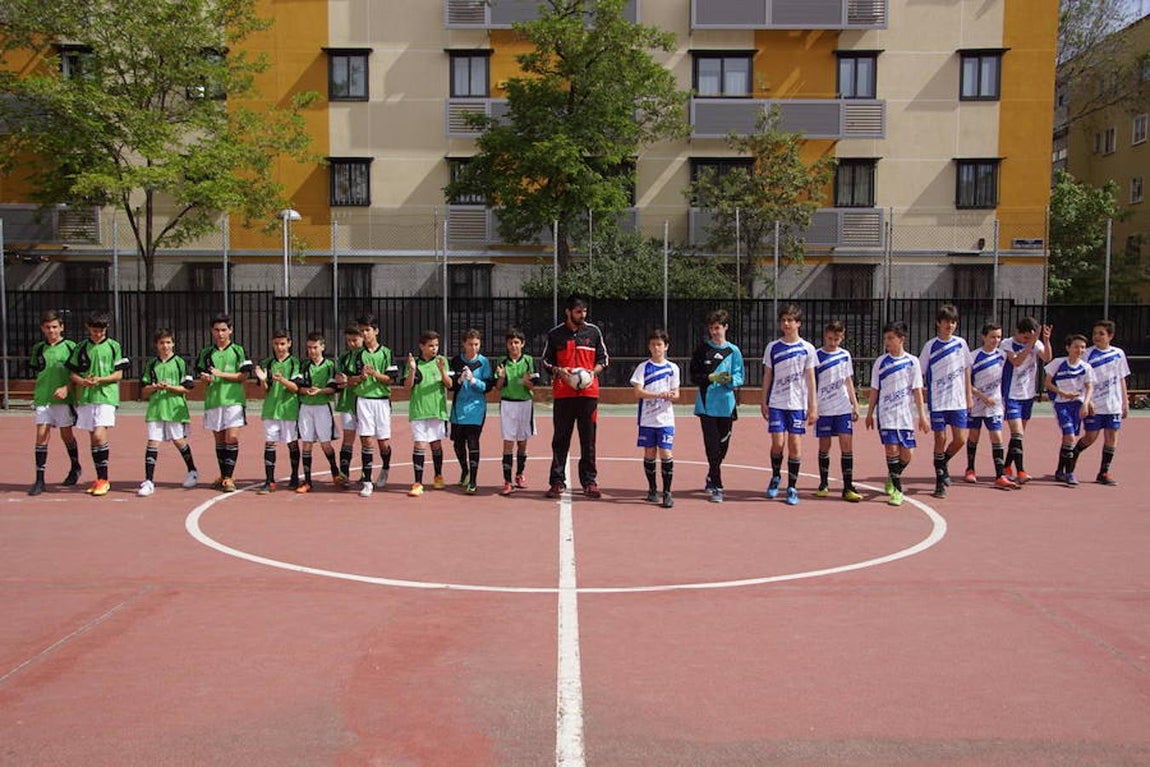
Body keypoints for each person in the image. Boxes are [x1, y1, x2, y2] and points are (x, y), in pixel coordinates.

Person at [542, 294, 609, 499]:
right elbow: (545, 362)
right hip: (563, 394)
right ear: (568, 312)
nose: (582, 315)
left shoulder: (593, 332)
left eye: (584, 311)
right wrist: (558, 371)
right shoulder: (555, 335)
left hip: (588, 394)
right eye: (578, 311)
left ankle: (589, 482)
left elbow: (604, 359)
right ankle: (557, 481)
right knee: (560, 439)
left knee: (588, 440)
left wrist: (592, 373)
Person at [865, 321, 929, 507]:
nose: (887, 342)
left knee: (907, 454)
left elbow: (917, 390)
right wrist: (869, 413)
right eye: (885, 338)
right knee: (891, 450)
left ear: (901, 339)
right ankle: (897, 491)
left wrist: (922, 416)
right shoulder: (881, 362)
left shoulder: (912, 362)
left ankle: (893, 475)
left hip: (905, 415)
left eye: (891, 338)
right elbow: (875, 389)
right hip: (886, 414)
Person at [65, 310, 129, 496]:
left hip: (106, 396)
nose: (97, 333)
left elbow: (119, 374)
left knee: (100, 436)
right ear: (88, 328)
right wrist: (82, 381)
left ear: (106, 328)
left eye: (100, 330)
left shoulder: (113, 346)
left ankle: (104, 479)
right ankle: (100, 478)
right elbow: (72, 373)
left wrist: (100, 380)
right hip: (85, 397)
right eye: (94, 330)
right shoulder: (81, 347)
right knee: (93, 438)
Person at [760, 303, 817, 506]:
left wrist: (813, 406)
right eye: (783, 320)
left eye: (790, 320)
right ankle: (776, 476)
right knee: (778, 443)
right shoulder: (773, 347)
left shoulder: (807, 348)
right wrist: (763, 400)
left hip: (797, 405)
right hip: (776, 402)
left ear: (798, 323)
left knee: (794, 444)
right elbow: (768, 375)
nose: (786, 323)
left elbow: (810, 379)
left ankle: (792, 487)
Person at [688, 309, 744, 504]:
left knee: (723, 446)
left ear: (725, 327)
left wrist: (729, 380)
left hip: (726, 406)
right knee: (712, 446)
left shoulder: (734, 351)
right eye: (711, 328)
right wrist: (709, 378)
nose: (714, 332)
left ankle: (712, 474)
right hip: (706, 406)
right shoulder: (702, 349)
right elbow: (693, 376)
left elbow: (740, 376)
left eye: (717, 328)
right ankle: (717, 486)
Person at [918, 304, 973, 499]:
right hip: (939, 401)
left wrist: (968, 396)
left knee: (960, 440)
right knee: (940, 439)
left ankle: (943, 462)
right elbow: (920, 371)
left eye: (952, 322)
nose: (949, 325)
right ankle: (940, 482)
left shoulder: (961, 344)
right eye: (946, 322)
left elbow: (967, 369)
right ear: (938, 323)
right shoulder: (930, 346)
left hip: (957, 401)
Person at [137, 329, 199, 497]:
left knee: (178, 441)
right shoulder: (151, 365)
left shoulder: (180, 363)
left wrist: (171, 387)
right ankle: (149, 481)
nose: (165, 346)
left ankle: (192, 471)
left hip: (175, 409)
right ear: (156, 345)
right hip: (156, 409)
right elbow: (143, 391)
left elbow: (187, 388)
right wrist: (154, 387)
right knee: (152, 442)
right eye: (161, 343)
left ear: (173, 343)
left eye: (168, 342)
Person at [196, 313, 253, 493]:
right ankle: (223, 475)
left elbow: (243, 376)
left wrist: (221, 374)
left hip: (234, 400)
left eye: (223, 330)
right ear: (212, 331)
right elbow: (202, 375)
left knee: (232, 438)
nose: (220, 334)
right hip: (214, 400)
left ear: (230, 330)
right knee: (219, 440)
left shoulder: (238, 350)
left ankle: (229, 477)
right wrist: (206, 378)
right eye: (216, 330)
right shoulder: (206, 353)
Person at [27, 309, 82, 496]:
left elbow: (77, 374)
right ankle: (40, 480)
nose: (51, 330)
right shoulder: (38, 349)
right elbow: (38, 371)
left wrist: (67, 387)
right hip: (43, 398)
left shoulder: (70, 347)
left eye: (55, 327)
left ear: (61, 327)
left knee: (66, 435)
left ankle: (75, 467)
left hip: (64, 399)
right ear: (42, 328)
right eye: (48, 327)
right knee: (41, 434)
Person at [1072, 320, 1130, 485]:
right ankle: (1070, 462)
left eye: (1101, 333)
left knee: (1111, 437)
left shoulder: (1118, 353)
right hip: (1094, 403)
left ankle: (1103, 472)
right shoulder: (1087, 354)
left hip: (1113, 404)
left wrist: (1125, 403)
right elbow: (1081, 379)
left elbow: (1122, 378)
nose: (1096, 336)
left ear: (1110, 336)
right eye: (1095, 333)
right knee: (1090, 437)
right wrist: (1086, 400)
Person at [999, 316, 1053, 484]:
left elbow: (1047, 358)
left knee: (1019, 436)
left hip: (1028, 395)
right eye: (1025, 337)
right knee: (1018, 433)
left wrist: (1045, 340)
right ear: (1018, 332)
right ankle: (1021, 471)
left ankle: (1006, 466)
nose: (1027, 340)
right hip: (1011, 394)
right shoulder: (1007, 344)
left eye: (1030, 337)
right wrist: (1031, 343)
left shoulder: (1036, 343)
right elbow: (1016, 361)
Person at [964, 322, 1018, 490]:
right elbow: (966, 382)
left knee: (997, 436)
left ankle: (1000, 475)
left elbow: (1019, 361)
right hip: (977, 402)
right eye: (992, 336)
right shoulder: (973, 357)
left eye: (999, 337)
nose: (996, 340)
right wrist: (980, 396)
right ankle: (970, 469)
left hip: (995, 403)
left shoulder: (1002, 355)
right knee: (974, 435)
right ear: (983, 337)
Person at [813, 321, 862, 502]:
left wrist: (854, 403)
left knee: (846, 444)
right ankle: (823, 483)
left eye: (837, 339)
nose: (833, 342)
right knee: (824, 446)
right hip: (824, 408)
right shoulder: (816, 356)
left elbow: (848, 380)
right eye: (830, 338)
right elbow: (811, 382)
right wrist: (812, 406)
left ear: (842, 338)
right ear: (825, 335)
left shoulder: (845, 355)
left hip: (842, 407)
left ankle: (848, 486)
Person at [630, 329, 680, 509]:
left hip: (665, 419)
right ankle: (652, 489)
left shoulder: (673, 368)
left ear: (666, 347)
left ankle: (667, 492)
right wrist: (657, 394)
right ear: (649, 347)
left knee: (666, 453)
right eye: (653, 344)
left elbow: (677, 394)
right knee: (649, 453)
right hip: (647, 419)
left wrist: (670, 395)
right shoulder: (643, 367)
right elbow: (637, 392)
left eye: (659, 344)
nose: (656, 348)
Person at [353, 314, 398, 498]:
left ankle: (385, 468)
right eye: (362, 330)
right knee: (366, 440)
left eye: (367, 330)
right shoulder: (358, 355)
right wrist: (361, 377)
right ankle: (367, 481)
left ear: (376, 331)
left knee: (383, 443)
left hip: (381, 401)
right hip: (363, 400)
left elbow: (391, 380)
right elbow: (352, 379)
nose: (365, 334)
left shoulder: (386, 353)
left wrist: (376, 375)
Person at [295, 332, 346, 493]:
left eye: (315, 347)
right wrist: (306, 390)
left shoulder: (330, 366)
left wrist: (320, 391)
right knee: (307, 443)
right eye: (309, 348)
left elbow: (335, 387)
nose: (312, 351)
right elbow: (297, 386)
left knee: (326, 444)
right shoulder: (303, 365)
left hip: (323, 407)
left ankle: (335, 472)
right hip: (305, 408)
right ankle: (307, 480)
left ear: (322, 347)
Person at [253, 329, 302, 493]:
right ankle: (269, 480)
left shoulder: (295, 362)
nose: (279, 347)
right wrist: (262, 380)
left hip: (288, 408)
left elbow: (296, 388)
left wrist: (282, 380)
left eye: (282, 344)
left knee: (292, 443)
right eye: (276, 344)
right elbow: (264, 391)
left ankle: (294, 476)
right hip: (271, 409)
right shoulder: (267, 363)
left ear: (289, 343)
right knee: (270, 442)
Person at [1045, 334, 1095, 487]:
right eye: (1076, 346)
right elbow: (1047, 383)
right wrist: (1063, 393)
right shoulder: (1058, 363)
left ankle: (1060, 470)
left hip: (1077, 405)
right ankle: (1070, 473)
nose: (1079, 350)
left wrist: (1086, 403)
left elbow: (1089, 387)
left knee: (1068, 439)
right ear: (1068, 348)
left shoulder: (1086, 367)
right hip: (1062, 404)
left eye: (1082, 347)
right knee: (1070, 437)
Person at [404, 330, 450, 497]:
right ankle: (418, 482)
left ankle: (438, 476)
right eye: (430, 346)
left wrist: (442, 371)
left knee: (436, 445)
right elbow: (407, 386)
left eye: (436, 345)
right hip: (418, 410)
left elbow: (449, 384)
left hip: (436, 410)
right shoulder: (413, 362)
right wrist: (412, 370)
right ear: (421, 346)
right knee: (419, 445)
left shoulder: (442, 361)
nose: (434, 349)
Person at [494, 327, 539, 496]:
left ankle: (519, 474)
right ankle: (507, 481)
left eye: (516, 343)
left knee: (522, 442)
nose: (513, 346)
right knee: (508, 443)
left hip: (525, 404)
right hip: (507, 404)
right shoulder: (502, 361)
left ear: (522, 344)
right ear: (506, 345)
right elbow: (498, 388)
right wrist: (502, 377)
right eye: (510, 343)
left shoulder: (528, 360)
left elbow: (533, 385)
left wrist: (527, 381)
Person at [448, 328, 493, 495]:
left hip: (476, 408)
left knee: (473, 443)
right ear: (463, 344)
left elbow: (488, 386)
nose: (473, 347)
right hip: (458, 409)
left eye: (476, 344)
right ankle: (464, 470)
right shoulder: (455, 361)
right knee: (458, 443)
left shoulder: (483, 362)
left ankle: (473, 481)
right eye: (470, 344)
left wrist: (474, 380)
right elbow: (451, 384)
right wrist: (459, 380)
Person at [334, 323, 364, 486]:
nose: (352, 343)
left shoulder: (366, 355)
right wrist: (341, 380)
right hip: (347, 402)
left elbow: (364, 377)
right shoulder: (344, 357)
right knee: (348, 438)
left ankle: (366, 473)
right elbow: (340, 378)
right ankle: (344, 474)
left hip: (363, 402)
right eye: (349, 340)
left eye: (355, 340)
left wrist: (350, 380)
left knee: (366, 439)